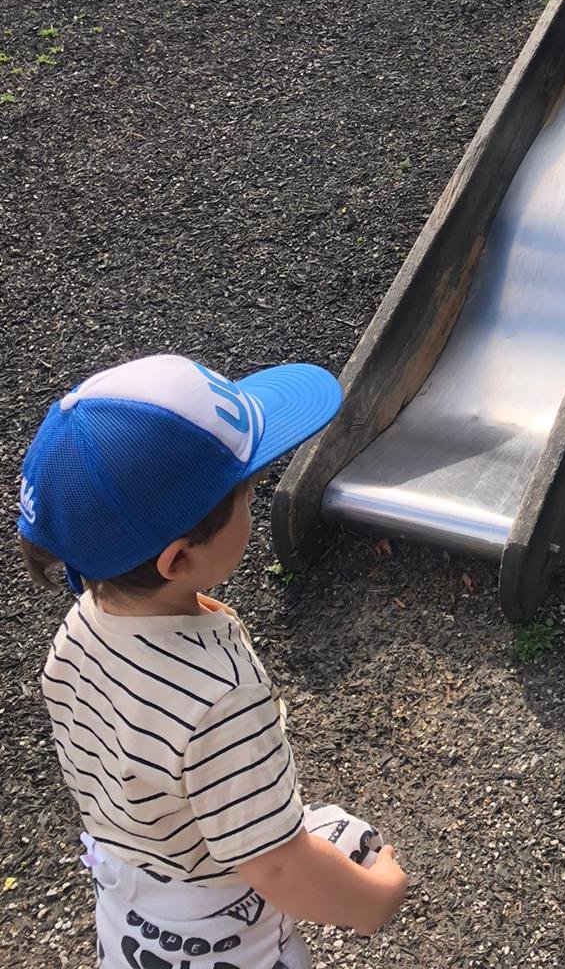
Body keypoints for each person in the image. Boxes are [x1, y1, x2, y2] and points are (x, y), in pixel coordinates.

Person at [17, 352, 410, 968]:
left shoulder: (83, 623)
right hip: (223, 932)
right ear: (177, 560)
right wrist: (376, 899)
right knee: (353, 845)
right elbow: (279, 868)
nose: (254, 503)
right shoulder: (219, 695)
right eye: (247, 497)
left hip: (132, 894)